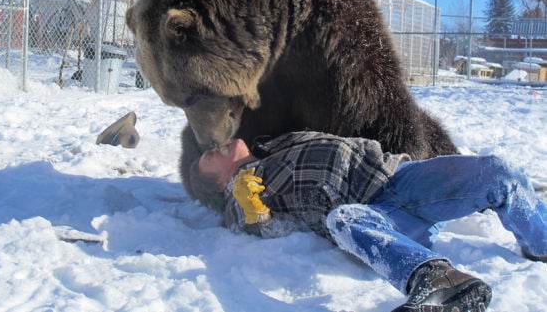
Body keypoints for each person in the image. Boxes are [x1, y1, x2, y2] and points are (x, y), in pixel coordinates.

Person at [189, 131, 547, 312]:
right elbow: (254, 228)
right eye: (209, 155)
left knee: (498, 172)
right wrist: (254, 214)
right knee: (343, 220)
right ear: (219, 181)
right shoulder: (237, 195)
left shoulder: (274, 142)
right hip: (375, 214)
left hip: (399, 177)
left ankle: (542, 243)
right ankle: (438, 283)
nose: (215, 146)